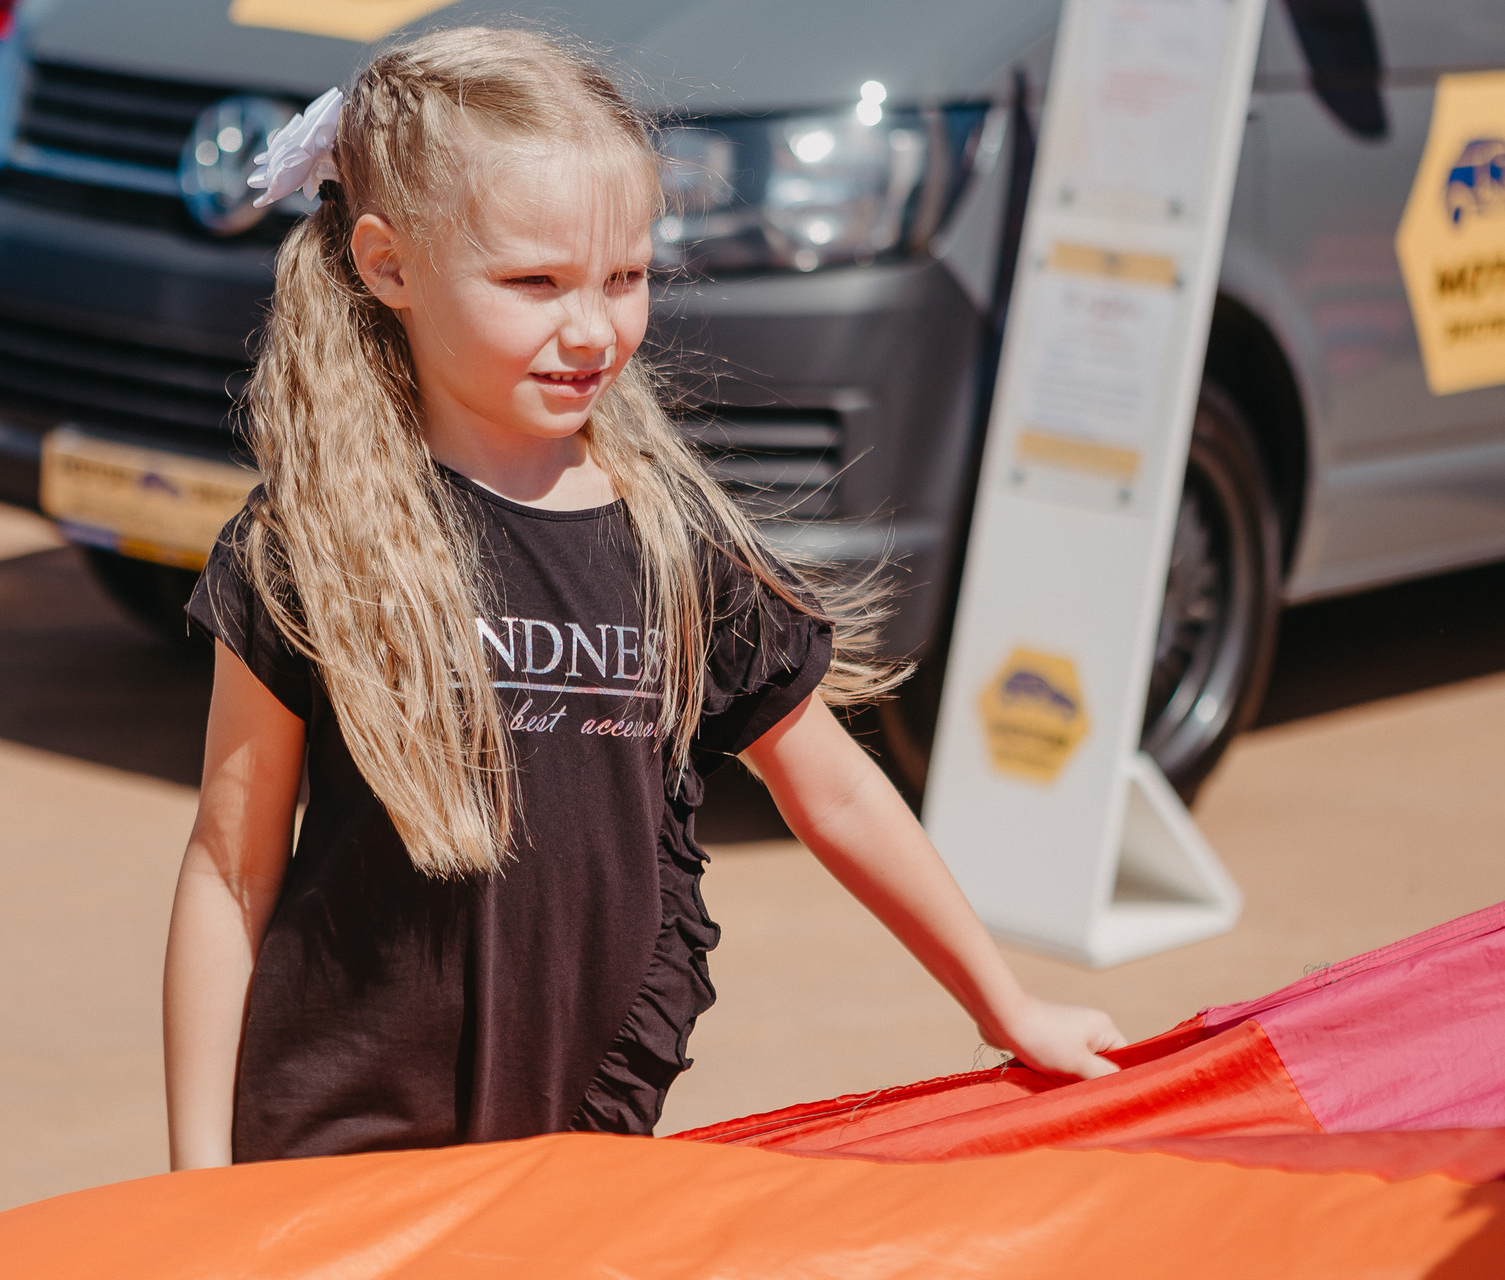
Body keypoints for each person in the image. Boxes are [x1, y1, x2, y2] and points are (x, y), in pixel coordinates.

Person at [162, 26, 1126, 1171]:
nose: (592, 327)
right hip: (337, 1149)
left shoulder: (672, 544)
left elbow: (837, 793)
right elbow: (230, 866)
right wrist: (197, 1176)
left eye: (624, 278)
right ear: (389, 266)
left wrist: (1007, 1005)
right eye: (534, 282)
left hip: (569, 1153)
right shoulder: (309, 546)